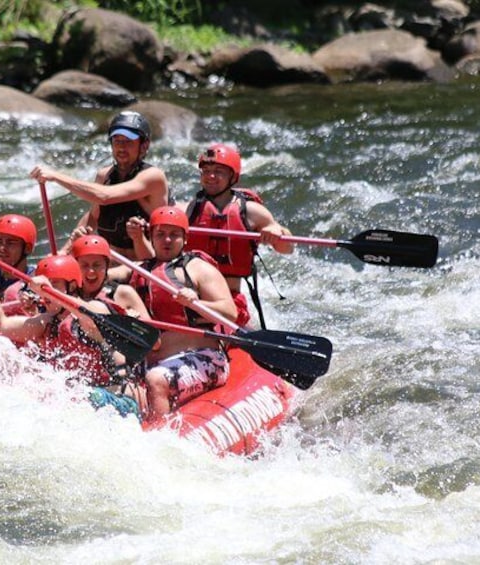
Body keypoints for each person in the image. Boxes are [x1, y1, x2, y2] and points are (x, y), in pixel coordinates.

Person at [0, 248, 143, 418]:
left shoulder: (95, 309)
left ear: (72, 286)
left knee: (77, 393)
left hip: (120, 401)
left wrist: (48, 289)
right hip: (77, 400)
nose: (46, 293)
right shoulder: (47, 322)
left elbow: (88, 314)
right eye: (46, 286)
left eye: (55, 284)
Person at [120, 206, 238, 423]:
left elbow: (230, 313)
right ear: (151, 238)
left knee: (155, 380)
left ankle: (160, 438)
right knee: (121, 387)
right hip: (155, 359)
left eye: (174, 234)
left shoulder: (198, 269)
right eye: (160, 234)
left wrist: (196, 303)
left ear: (185, 238)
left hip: (205, 358)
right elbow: (102, 274)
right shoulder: (141, 270)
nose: (167, 240)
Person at [29, 111, 169, 260]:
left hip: (146, 264)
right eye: (117, 141)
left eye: (128, 141)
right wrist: (65, 250)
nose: (121, 147)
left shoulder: (153, 177)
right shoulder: (104, 175)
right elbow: (93, 217)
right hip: (110, 263)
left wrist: (56, 176)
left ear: (144, 145)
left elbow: (104, 196)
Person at [182, 143, 294, 327]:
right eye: (206, 171)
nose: (210, 176)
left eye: (218, 171)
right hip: (191, 297)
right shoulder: (190, 209)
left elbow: (287, 248)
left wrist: (278, 233)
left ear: (232, 177)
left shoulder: (252, 212)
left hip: (229, 301)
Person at [0, 213, 38, 314]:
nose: (2, 248)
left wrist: (34, 311)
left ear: (27, 249)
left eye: (10, 243)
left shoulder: (36, 283)